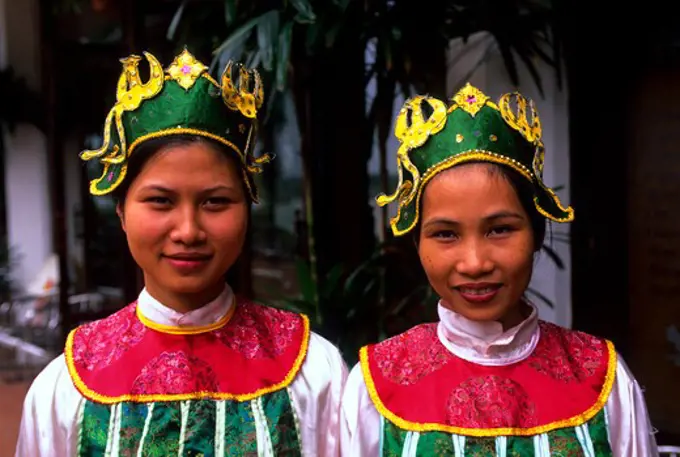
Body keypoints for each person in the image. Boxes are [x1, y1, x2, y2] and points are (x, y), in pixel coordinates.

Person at [16, 49, 347, 456]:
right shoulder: (66, 386)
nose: (188, 231)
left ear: (247, 209)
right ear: (121, 210)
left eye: (215, 202)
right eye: (160, 201)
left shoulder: (312, 371)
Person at [340, 84, 658, 456]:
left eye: (500, 229)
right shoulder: (376, 385)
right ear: (416, 243)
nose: (475, 263)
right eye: (445, 234)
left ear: (538, 232)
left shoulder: (602, 379)